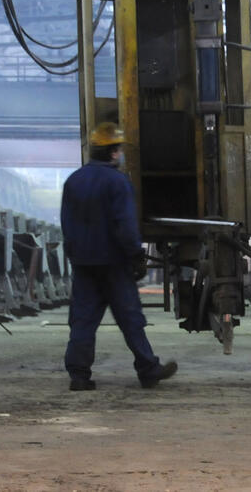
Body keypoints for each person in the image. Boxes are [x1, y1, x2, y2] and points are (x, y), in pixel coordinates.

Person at [61, 122, 177, 391]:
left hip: (84, 263)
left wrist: (74, 254)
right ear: (113, 152)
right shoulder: (117, 181)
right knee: (130, 318)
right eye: (120, 149)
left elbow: (66, 223)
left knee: (83, 320)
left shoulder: (73, 180)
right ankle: (148, 369)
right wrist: (136, 255)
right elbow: (124, 224)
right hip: (114, 263)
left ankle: (79, 375)